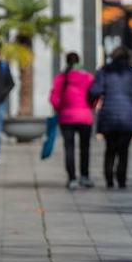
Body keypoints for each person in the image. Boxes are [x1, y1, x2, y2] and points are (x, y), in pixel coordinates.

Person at [88, 47, 132, 188]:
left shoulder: (104, 71)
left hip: (108, 115)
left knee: (110, 148)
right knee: (124, 150)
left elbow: (94, 90)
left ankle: (109, 178)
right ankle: (121, 179)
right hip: (128, 116)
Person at [49, 51, 95, 189]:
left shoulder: (61, 78)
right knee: (85, 148)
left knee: (69, 148)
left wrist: (60, 108)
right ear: (79, 61)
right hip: (85, 117)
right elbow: (94, 94)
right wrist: (90, 107)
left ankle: (72, 178)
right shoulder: (88, 77)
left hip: (66, 117)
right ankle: (85, 176)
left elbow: (53, 97)